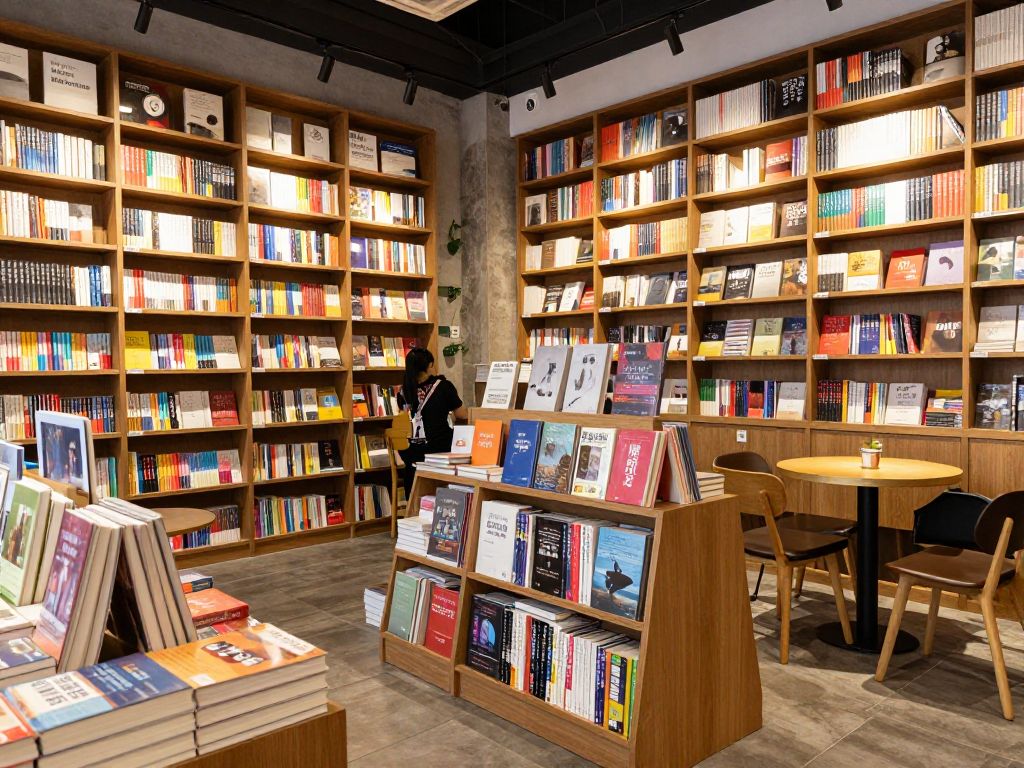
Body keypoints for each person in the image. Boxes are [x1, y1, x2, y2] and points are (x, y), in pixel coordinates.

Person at [397, 347, 467, 496]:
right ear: (429, 366)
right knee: (463, 445)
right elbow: (462, 414)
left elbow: (402, 419)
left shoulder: (404, 391)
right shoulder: (443, 387)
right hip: (438, 449)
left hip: (411, 453)